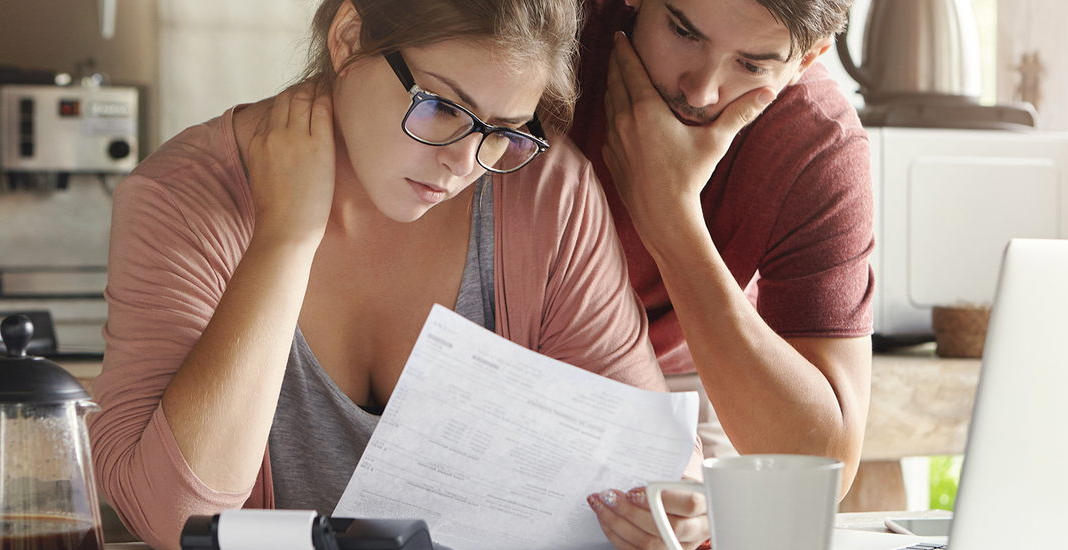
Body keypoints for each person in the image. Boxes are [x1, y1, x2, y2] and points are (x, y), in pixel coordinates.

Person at [87, 1, 708, 549]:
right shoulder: (182, 199)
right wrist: (284, 240)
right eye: (440, 106)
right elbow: (174, 518)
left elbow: (649, 464)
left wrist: (674, 508)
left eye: (504, 131)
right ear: (349, 38)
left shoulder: (544, 192)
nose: (464, 162)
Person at [572, 0, 875, 546]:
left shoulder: (817, 141)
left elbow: (821, 467)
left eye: (753, 65)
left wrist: (671, 216)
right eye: (683, 32)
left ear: (807, 60)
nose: (700, 90)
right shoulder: (549, 34)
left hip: (688, 381)